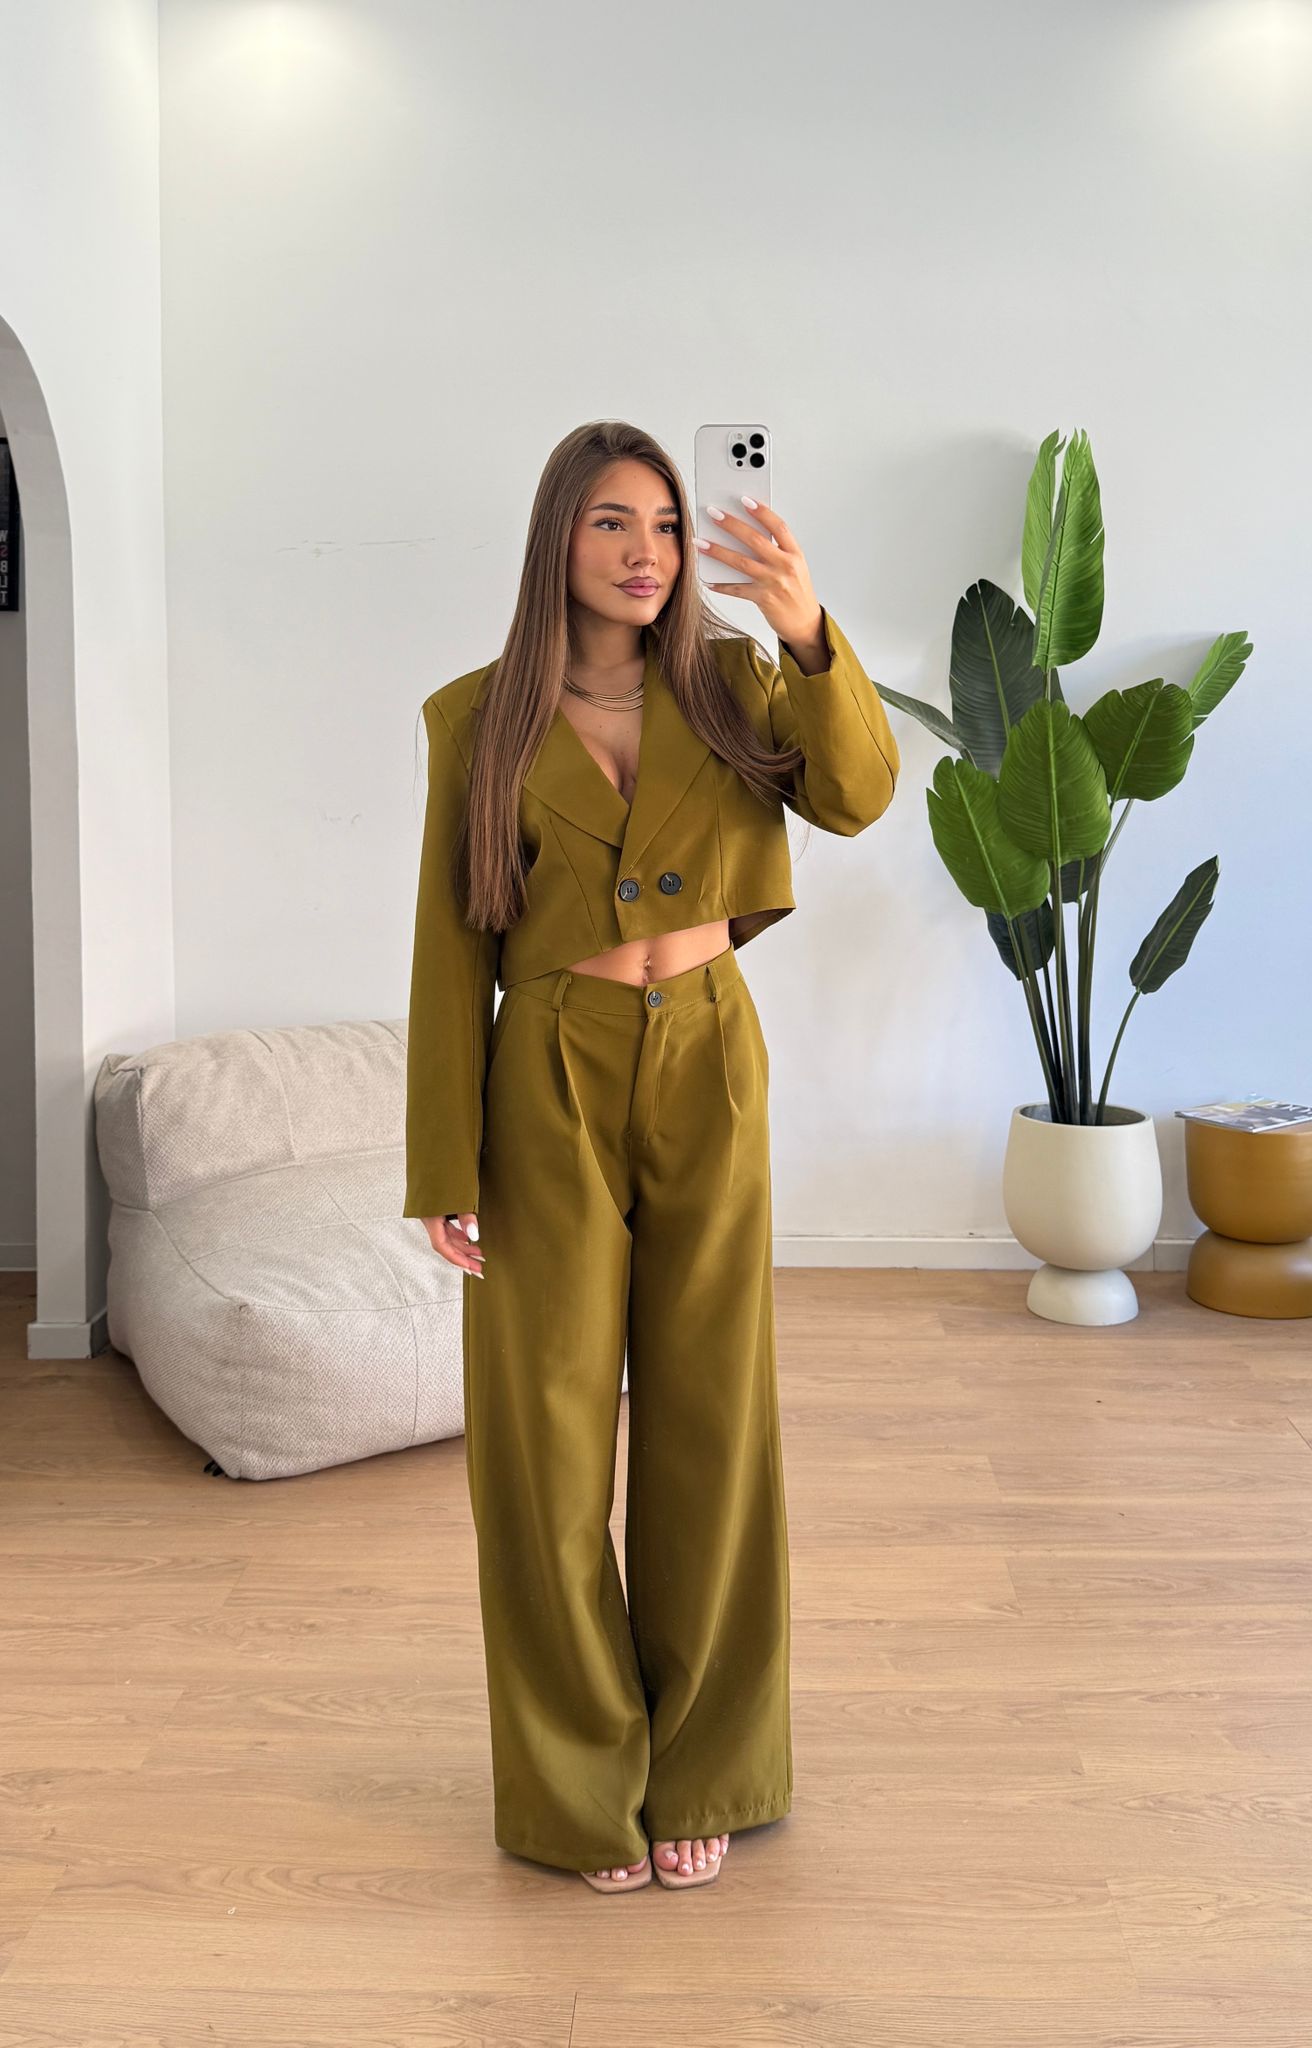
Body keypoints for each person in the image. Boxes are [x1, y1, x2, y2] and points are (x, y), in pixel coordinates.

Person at [404, 420, 899, 1894]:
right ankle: (576, 1783)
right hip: (547, 1068)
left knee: (711, 1418)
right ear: (558, 536)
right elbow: (449, 951)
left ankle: (708, 1764)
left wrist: (808, 630)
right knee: (542, 1437)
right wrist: (443, 1164)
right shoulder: (476, 719)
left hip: (709, 1054)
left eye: (669, 525)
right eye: (613, 522)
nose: (648, 552)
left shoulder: (737, 682)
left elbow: (860, 794)